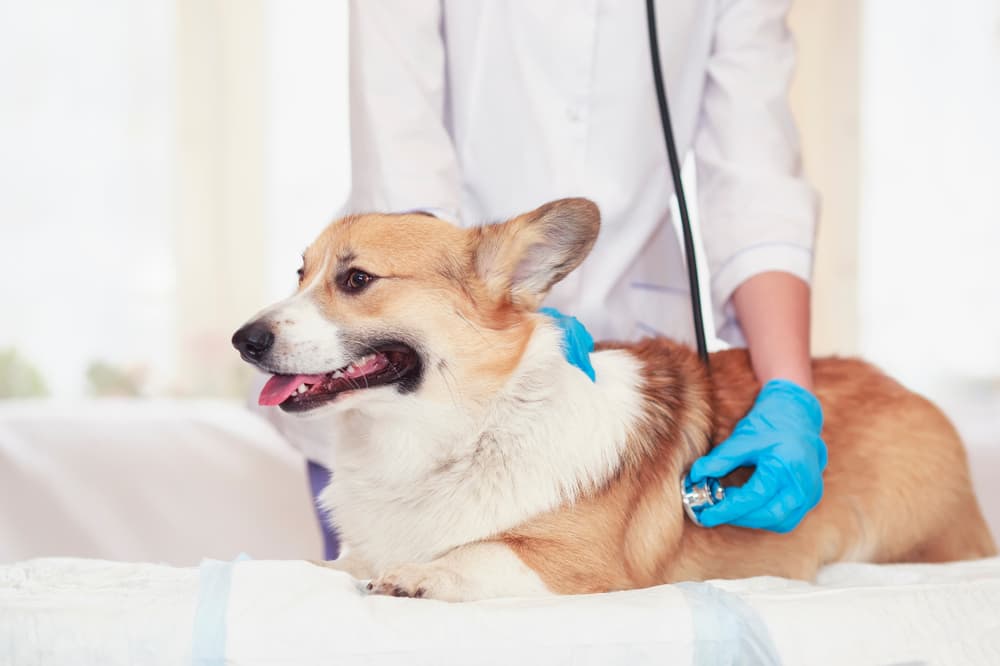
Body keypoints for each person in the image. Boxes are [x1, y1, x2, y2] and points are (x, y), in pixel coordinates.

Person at [290, 0, 827, 558]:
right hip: (411, 389)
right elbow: (399, 145)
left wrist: (791, 394)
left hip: (626, 398)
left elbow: (755, 181)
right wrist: (489, 308)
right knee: (399, 619)